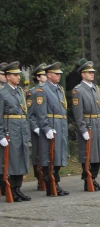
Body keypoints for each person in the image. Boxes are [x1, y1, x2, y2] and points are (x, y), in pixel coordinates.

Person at [33, 62, 70, 196]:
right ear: (48, 75)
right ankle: (50, 185)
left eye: (59, 74)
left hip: (60, 125)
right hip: (50, 126)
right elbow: (40, 112)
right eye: (56, 74)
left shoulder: (59, 89)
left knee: (58, 156)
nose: (59, 76)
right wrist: (46, 128)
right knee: (48, 157)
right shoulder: (42, 90)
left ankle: (56, 182)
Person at [72, 61, 100, 192]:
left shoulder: (97, 89)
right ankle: (88, 179)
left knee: (99, 153)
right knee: (88, 154)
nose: (92, 74)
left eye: (93, 72)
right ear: (83, 74)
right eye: (89, 72)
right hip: (88, 124)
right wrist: (82, 129)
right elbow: (78, 113)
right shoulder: (78, 90)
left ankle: (93, 178)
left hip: (97, 123)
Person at [0, 62, 32, 202]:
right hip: (10, 129)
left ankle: (17, 188)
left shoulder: (20, 91)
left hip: (21, 128)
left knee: (21, 158)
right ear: (7, 77)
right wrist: (1, 135)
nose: (18, 77)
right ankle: (10, 189)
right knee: (12, 160)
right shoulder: (2, 93)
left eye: (18, 74)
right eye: (14, 75)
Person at [26, 64, 47, 191]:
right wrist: (35, 128)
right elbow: (30, 114)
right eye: (43, 74)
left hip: (48, 127)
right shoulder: (32, 93)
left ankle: (49, 177)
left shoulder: (51, 90)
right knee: (38, 155)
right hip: (39, 129)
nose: (45, 76)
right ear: (38, 77)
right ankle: (40, 179)